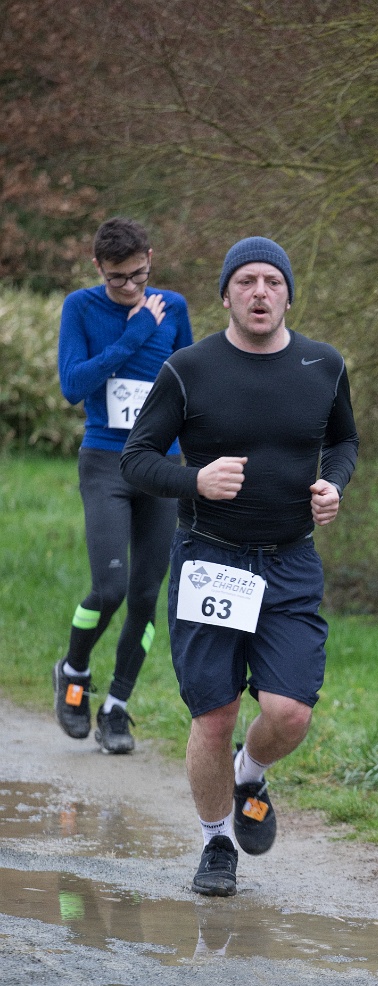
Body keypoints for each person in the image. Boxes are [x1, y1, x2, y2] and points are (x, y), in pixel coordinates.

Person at [120, 236, 358, 897]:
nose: (260, 292)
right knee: (215, 713)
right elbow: (136, 459)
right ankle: (216, 842)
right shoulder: (188, 369)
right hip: (210, 558)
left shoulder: (323, 364)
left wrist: (334, 484)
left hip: (289, 560)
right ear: (225, 295)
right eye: (246, 281)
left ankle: (248, 773)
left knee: (290, 712)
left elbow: (344, 439)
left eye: (272, 282)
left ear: (288, 295)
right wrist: (195, 480)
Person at [54, 217, 194, 754]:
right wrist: (134, 335)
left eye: (139, 274)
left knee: (145, 595)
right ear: (98, 267)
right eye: (117, 278)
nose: (131, 286)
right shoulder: (81, 307)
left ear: (150, 259)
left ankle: (117, 706)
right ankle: (74, 670)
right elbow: (73, 385)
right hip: (105, 463)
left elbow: (190, 386)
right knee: (109, 588)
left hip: (161, 465)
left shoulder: (173, 307)